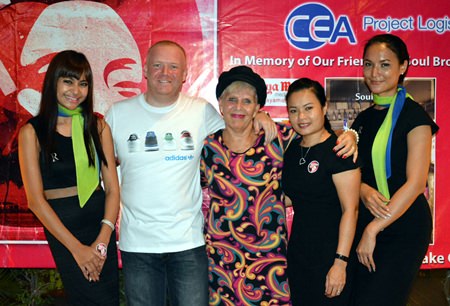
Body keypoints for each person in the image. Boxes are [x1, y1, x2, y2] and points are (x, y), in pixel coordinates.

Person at [105, 41, 277, 306]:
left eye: (173, 66)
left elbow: (237, 128)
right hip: (137, 245)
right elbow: (98, 170)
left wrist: (259, 116)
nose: (165, 72)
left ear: (185, 74)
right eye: (158, 65)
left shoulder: (201, 111)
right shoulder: (118, 114)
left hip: (188, 243)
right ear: (145, 70)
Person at [200, 66, 358, 305]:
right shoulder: (208, 147)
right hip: (224, 260)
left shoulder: (277, 137)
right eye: (231, 99)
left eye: (247, 101)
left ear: (257, 107)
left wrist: (351, 135)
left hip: (270, 261)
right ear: (220, 104)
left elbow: (319, 137)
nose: (238, 107)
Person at [18, 50, 120, 305]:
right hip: (63, 231)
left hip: (99, 227)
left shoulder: (97, 127)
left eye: (83, 83)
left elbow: (112, 190)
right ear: (53, 82)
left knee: (107, 300)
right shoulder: (32, 132)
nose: (76, 90)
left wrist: (102, 241)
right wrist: (78, 250)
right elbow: (35, 201)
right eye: (68, 81)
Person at [350, 34, 439, 306]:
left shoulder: (415, 117)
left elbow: (415, 183)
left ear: (403, 67)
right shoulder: (363, 119)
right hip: (366, 220)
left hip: (402, 226)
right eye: (369, 64)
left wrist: (373, 229)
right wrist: (364, 191)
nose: (375, 73)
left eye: (385, 64)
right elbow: (354, 174)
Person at [281, 78, 361, 305]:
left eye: (309, 108)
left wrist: (340, 263)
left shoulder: (339, 150)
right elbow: (292, 196)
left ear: (324, 108)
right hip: (300, 254)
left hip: (332, 254)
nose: (301, 117)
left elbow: (350, 210)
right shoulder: (292, 150)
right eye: (294, 111)